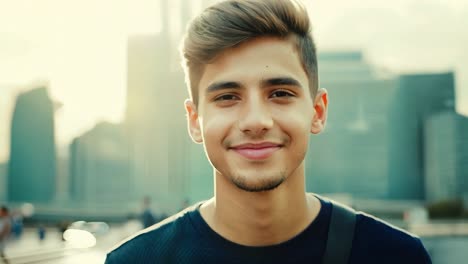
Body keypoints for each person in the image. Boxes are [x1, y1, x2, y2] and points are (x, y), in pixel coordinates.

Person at [105, 0, 432, 263]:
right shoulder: (136, 260)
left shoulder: (395, 256)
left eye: (280, 93)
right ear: (194, 121)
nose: (256, 120)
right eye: (227, 97)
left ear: (317, 112)